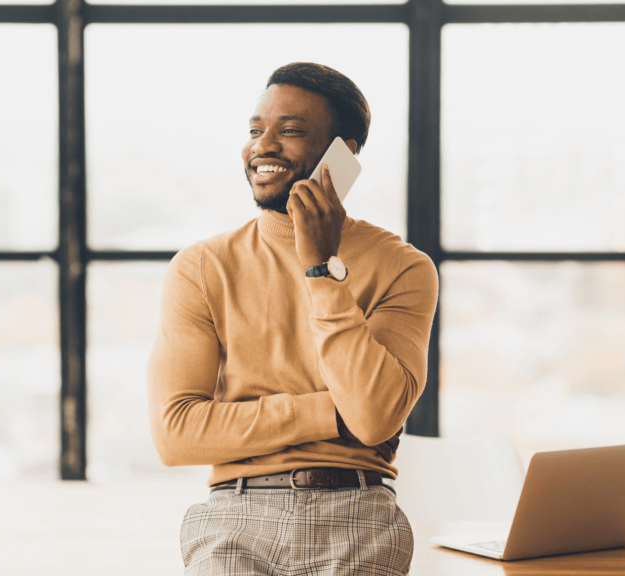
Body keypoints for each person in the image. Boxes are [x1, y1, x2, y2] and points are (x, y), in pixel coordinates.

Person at [147, 62, 439, 575]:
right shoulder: (200, 267)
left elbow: (372, 418)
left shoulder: (404, 267)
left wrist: (321, 268)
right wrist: (332, 414)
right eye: (257, 130)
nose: (263, 146)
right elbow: (177, 434)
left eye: (291, 131)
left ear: (341, 156)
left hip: (358, 515)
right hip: (233, 516)